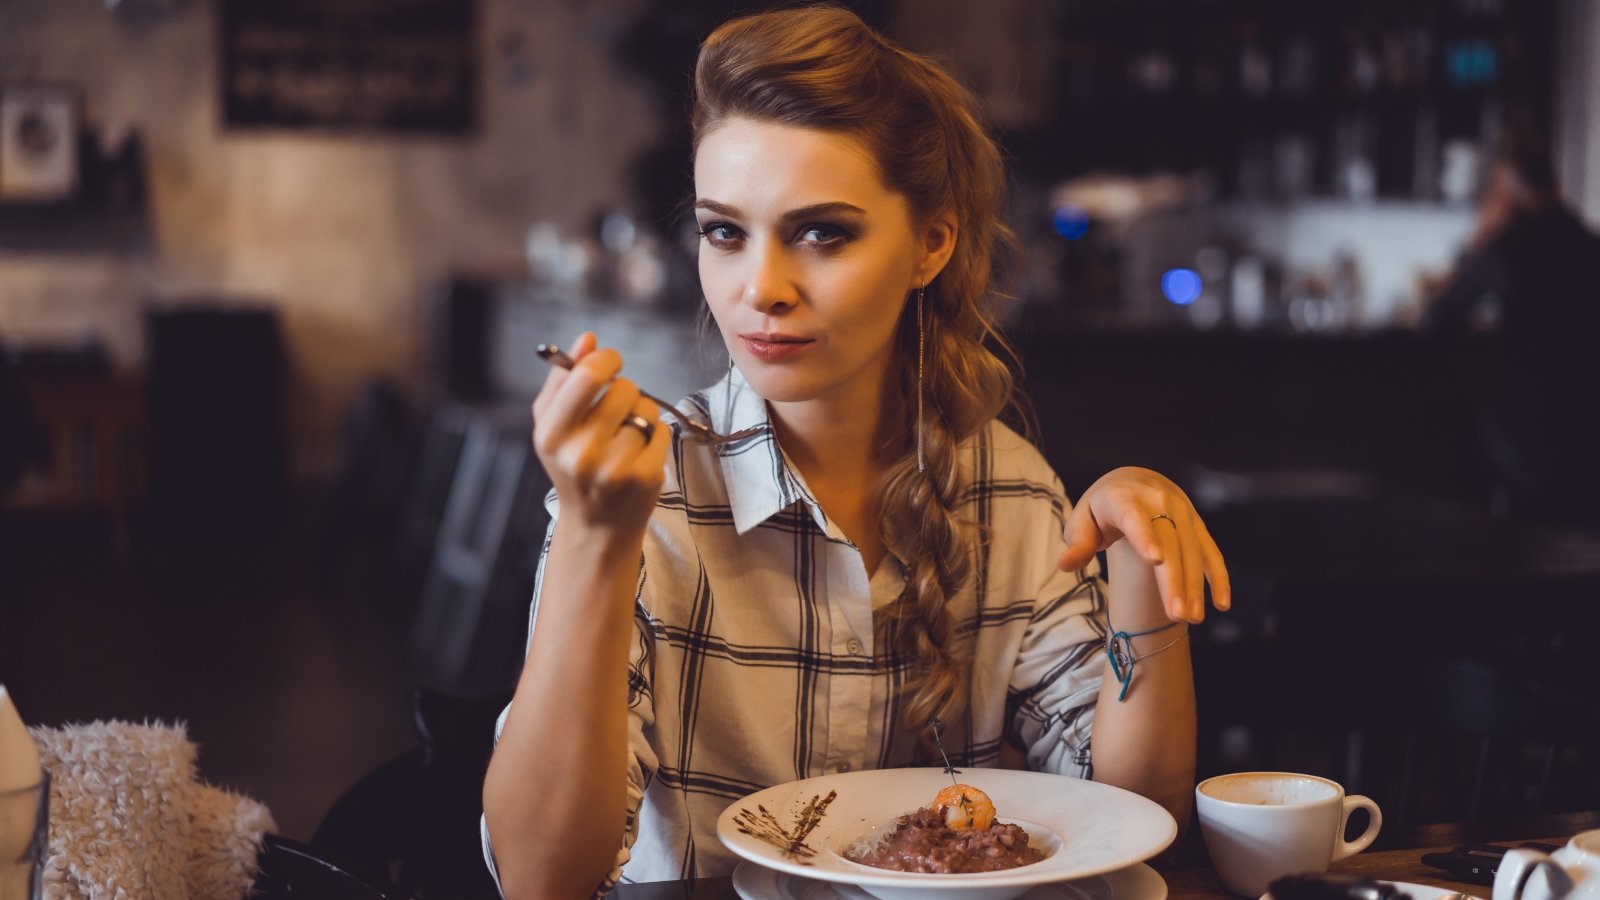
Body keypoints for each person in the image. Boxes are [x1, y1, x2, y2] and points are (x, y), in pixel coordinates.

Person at [482, 7, 1230, 897]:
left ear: (930, 244)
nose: (761, 287)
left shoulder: (1010, 495)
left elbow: (1133, 818)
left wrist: (1143, 568)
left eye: (822, 232)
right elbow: (538, 880)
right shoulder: (644, 496)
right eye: (725, 231)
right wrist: (595, 542)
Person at [1424, 122, 1600, 523]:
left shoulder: (1508, 246)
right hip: (1589, 449)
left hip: (1526, 456)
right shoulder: (1590, 246)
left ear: (1508, 191)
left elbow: (1437, 317)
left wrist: (1480, 236)